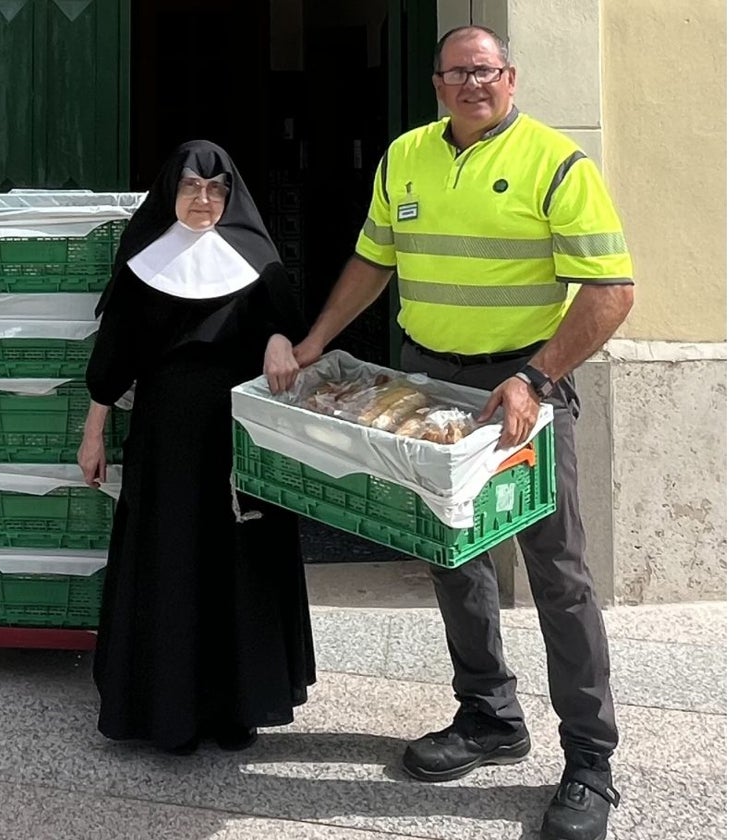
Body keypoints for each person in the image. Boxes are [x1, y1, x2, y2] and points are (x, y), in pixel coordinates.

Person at [271, 26, 634, 840]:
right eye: (459, 73)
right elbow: (374, 260)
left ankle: (590, 763)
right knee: (449, 551)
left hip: (522, 392)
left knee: (558, 573)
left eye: (488, 71)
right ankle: (489, 718)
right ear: (436, 84)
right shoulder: (405, 156)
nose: (475, 84)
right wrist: (319, 338)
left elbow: (611, 290)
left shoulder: (558, 163)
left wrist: (537, 378)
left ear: (511, 77)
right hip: (430, 385)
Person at [78, 140, 316, 755]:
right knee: (171, 563)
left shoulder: (257, 260)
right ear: (170, 193)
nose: (204, 200)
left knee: (239, 565)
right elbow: (115, 357)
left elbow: (288, 327)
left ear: (230, 196)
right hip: (166, 439)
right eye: (190, 186)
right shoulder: (143, 261)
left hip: (240, 436)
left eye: (216, 189)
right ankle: (170, 714)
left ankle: (239, 707)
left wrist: (278, 338)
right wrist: (94, 431)